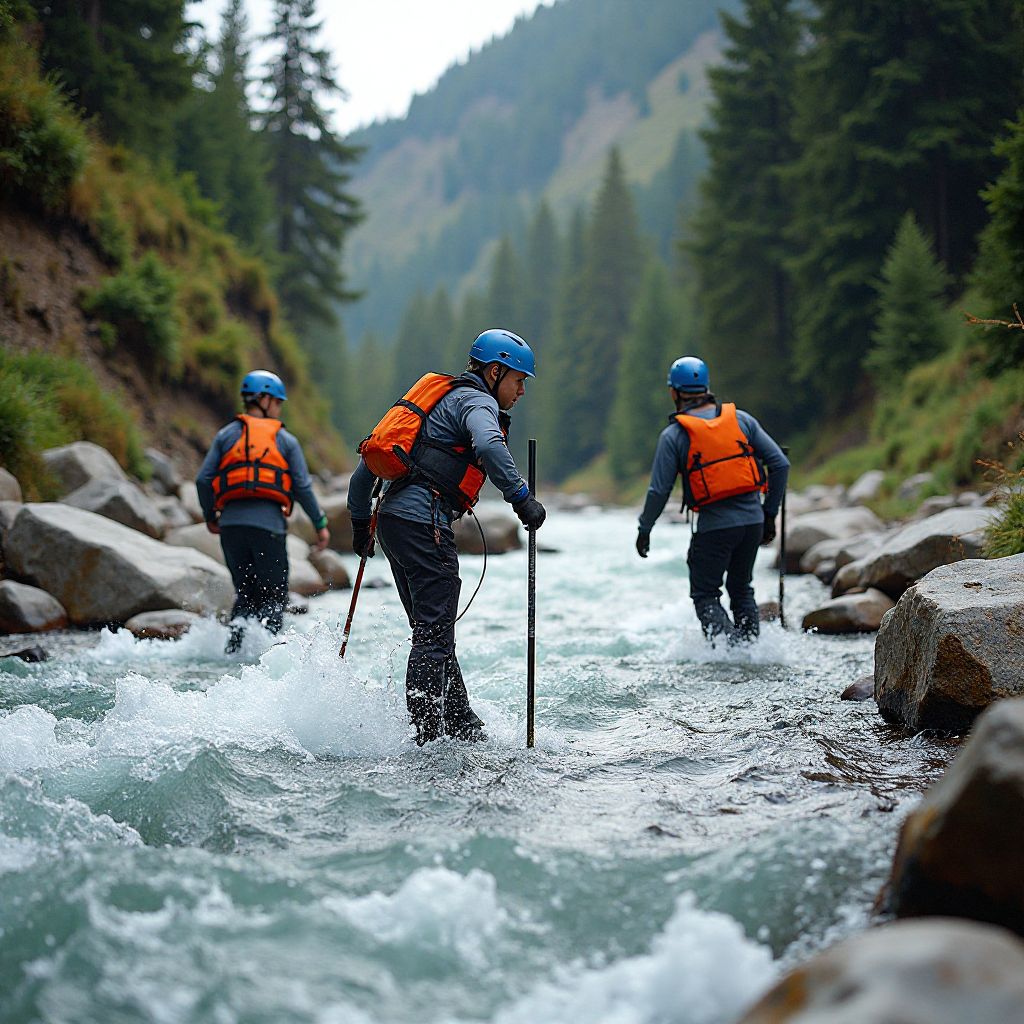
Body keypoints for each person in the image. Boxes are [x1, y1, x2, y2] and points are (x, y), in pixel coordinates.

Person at [347, 329, 547, 746]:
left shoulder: (433, 402)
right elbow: (491, 447)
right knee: (434, 632)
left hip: (393, 522)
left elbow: (364, 470)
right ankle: (426, 740)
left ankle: (459, 724)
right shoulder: (478, 401)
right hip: (425, 524)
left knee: (432, 629)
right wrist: (522, 499)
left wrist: (359, 523)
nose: (522, 391)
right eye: (519, 380)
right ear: (495, 371)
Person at [635, 356, 789, 643]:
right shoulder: (742, 420)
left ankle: (729, 654)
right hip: (752, 522)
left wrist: (645, 529)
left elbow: (659, 490)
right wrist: (769, 515)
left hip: (714, 528)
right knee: (742, 589)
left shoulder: (674, 435)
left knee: (706, 594)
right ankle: (751, 651)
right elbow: (780, 464)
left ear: (674, 392)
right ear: (706, 387)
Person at [196, 369, 330, 653]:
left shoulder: (225, 435)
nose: (279, 408)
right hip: (268, 529)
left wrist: (211, 516)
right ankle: (268, 659)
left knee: (244, 595)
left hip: (231, 528)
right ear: (265, 399)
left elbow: (203, 480)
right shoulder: (285, 440)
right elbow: (303, 488)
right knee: (273, 598)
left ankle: (233, 653)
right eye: (278, 402)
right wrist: (320, 524)